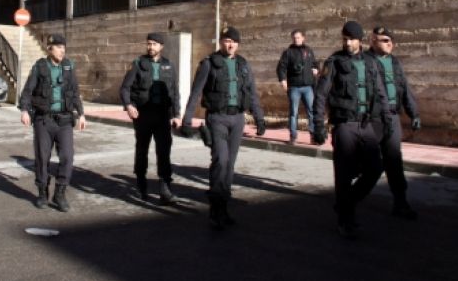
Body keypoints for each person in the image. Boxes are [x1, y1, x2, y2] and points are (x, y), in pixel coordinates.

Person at [313, 21, 392, 239]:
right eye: (344, 39)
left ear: (360, 40)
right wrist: (318, 124)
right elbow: (321, 94)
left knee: (375, 168)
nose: (347, 43)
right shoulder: (334, 62)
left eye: (351, 39)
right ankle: (346, 220)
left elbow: (380, 91)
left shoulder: (370, 62)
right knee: (344, 174)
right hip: (344, 124)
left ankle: (346, 203)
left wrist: (386, 119)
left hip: (367, 125)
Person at [181, 26, 266, 230]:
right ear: (221, 42)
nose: (230, 44)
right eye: (227, 41)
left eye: (234, 41)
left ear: (238, 44)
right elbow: (196, 92)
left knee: (230, 166)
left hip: (237, 119)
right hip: (217, 118)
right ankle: (215, 209)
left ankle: (223, 208)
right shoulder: (209, 63)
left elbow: (252, 93)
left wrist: (259, 118)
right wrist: (187, 119)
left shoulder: (243, 64)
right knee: (221, 160)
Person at [19, 33, 86, 212]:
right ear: (50, 49)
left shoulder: (69, 67)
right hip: (44, 120)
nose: (62, 51)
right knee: (42, 158)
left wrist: (81, 114)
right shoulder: (40, 67)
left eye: (64, 48)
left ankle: (60, 193)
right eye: (58, 47)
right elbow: (27, 91)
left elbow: (75, 91)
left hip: (64, 120)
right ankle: (42, 193)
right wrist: (24, 110)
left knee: (67, 157)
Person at [366, 26, 421, 220]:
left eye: (390, 40)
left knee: (394, 160)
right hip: (372, 119)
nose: (389, 44)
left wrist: (413, 113)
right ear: (373, 41)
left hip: (392, 117)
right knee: (368, 163)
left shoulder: (395, 62)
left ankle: (400, 203)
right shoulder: (365, 61)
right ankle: (349, 201)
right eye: (383, 40)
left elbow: (405, 89)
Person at [119, 32, 182, 203]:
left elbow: (175, 92)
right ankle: (141, 185)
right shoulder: (138, 64)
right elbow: (125, 88)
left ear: (161, 46)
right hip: (143, 116)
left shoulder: (169, 65)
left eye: (154, 44)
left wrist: (177, 114)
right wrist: (129, 106)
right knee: (142, 151)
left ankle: (165, 190)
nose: (150, 47)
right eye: (148, 44)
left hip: (162, 116)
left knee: (164, 152)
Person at [276, 29, 318, 145]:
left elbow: (315, 63)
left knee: (311, 112)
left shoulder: (309, 51)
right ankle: (293, 137)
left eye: (298, 37)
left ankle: (313, 136)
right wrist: (283, 80)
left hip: (308, 87)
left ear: (303, 38)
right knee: (293, 113)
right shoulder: (288, 52)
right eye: (294, 38)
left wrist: (316, 69)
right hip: (294, 87)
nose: (296, 39)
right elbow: (281, 67)